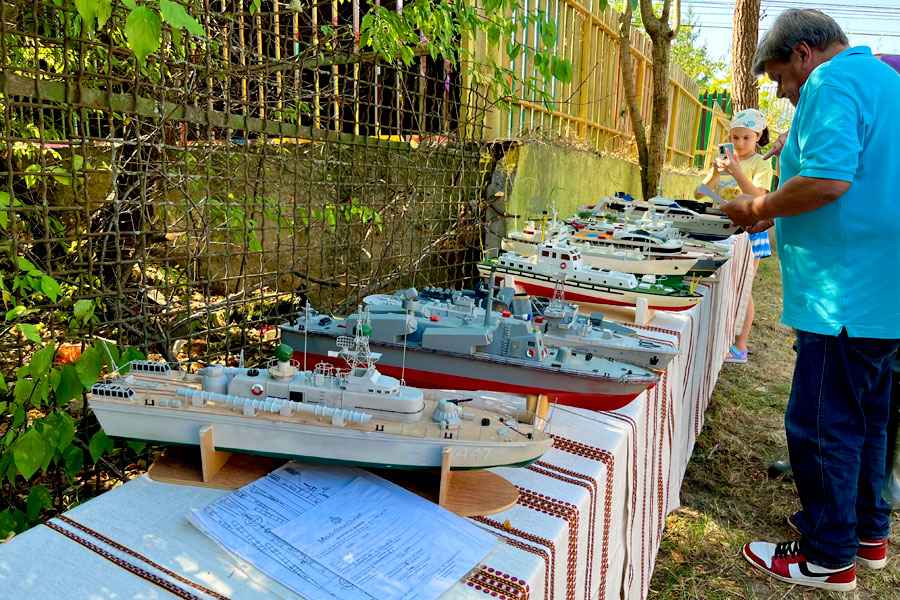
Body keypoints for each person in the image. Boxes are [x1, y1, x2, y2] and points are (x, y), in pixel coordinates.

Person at [721, 9, 900, 592]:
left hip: (843, 294)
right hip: (883, 291)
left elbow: (827, 180)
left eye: (779, 77)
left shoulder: (830, 80)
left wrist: (757, 207)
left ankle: (828, 555)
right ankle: (866, 532)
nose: (780, 92)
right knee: (867, 418)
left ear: (803, 52)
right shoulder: (886, 82)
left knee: (822, 422)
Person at [694, 109, 773, 364]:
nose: (739, 143)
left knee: (743, 287)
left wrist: (737, 172)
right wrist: (715, 173)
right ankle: (722, 335)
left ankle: (740, 347)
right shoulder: (725, 162)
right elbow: (698, 194)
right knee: (723, 284)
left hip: (750, 233)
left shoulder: (761, 163)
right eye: (734, 137)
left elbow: (760, 196)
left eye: (746, 138)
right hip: (723, 232)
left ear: (758, 136)